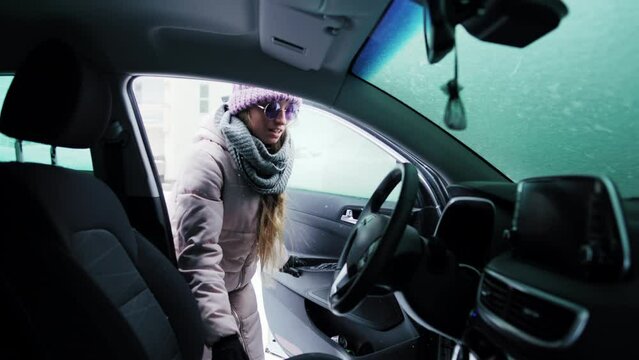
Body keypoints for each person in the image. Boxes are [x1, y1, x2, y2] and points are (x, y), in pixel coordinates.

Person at [170, 84, 301, 360]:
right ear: (244, 107)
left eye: (289, 110)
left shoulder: (268, 158)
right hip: (208, 301)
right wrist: (222, 336)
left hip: (242, 296)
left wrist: (283, 259)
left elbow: (258, 224)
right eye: (272, 108)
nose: (281, 120)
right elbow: (197, 255)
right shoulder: (207, 161)